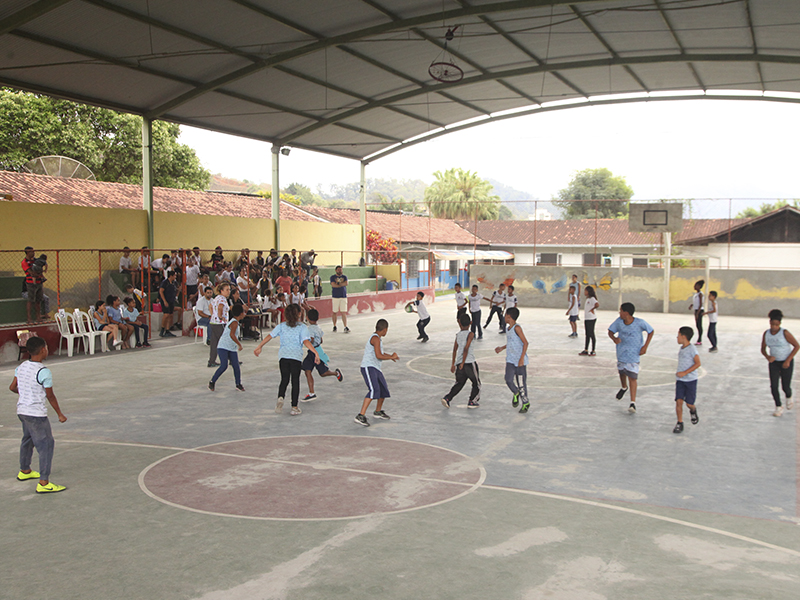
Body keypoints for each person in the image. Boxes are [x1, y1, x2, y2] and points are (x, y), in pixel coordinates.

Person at [9, 336, 68, 494]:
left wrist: (26, 394)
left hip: (22, 411)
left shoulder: (22, 366)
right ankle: (43, 482)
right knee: (46, 445)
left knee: (27, 440)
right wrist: (60, 414)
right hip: (36, 414)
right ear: (43, 350)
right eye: (46, 347)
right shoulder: (43, 371)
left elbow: (12, 387)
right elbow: (50, 395)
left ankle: (25, 470)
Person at [254, 304, 319, 416]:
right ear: (299, 314)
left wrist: (260, 346)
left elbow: (269, 336)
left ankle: (280, 397)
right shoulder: (302, 327)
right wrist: (315, 352)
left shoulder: (282, 326)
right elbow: (306, 342)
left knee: (284, 379)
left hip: (283, 357)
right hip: (296, 358)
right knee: (295, 381)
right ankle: (294, 407)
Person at [608, 302, 654, 414]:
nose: (619, 313)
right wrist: (614, 339)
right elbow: (610, 331)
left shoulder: (639, 323)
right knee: (622, 372)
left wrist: (645, 346)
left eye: (621, 311)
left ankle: (633, 402)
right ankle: (624, 387)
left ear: (626, 313)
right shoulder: (618, 322)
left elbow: (651, 331)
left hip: (634, 354)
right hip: (621, 353)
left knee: (632, 377)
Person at [355, 318, 398, 427]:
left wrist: (390, 356)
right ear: (384, 329)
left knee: (383, 389)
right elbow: (379, 356)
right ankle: (360, 415)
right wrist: (390, 357)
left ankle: (378, 411)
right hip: (368, 367)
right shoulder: (375, 339)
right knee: (374, 390)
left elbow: (380, 353)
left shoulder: (377, 338)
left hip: (375, 368)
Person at [761, 309, 799, 417]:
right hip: (774, 363)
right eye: (772, 324)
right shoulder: (766, 334)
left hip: (786, 362)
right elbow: (763, 348)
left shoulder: (785, 333)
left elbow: (797, 346)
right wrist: (768, 356)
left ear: (780, 324)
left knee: (785, 386)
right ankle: (778, 406)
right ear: (769, 323)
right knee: (773, 386)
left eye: (776, 325)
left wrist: (788, 360)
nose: (774, 327)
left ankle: (788, 396)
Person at [301, 308, 343, 401]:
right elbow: (321, 340)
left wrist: (305, 340)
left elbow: (311, 339)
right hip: (313, 351)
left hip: (315, 353)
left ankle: (336, 373)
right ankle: (311, 392)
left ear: (307, 318)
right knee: (307, 370)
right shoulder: (318, 328)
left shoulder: (310, 329)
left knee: (323, 373)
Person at [494, 307, 530, 414]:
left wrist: (522, 358)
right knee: (508, 379)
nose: (504, 317)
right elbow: (511, 342)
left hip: (519, 361)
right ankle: (516, 392)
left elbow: (525, 343)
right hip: (510, 359)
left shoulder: (517, 328)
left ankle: (525, 402)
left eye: (505, 315)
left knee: (521, 383)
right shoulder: (508, 328)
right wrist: (502, 348)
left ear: (509, 317)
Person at [442, 312, 480, 409]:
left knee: (459, 383)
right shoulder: (471, 334)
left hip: (459, 364)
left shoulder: (458, 335)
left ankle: (447, 398)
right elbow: (466, 349)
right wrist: (463, 363)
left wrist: (453, 364)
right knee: (476, 383)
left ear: (459, 323)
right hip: (469, 362)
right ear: (470, 323)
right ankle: (472, 401)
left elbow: (455, 349)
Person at [208, 304, 246, 392]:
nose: (245, 314)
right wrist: (239, 344)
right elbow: (232, 334)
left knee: (236, 366)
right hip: (223, 347)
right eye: (243, 312)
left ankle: (238, 384)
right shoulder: (234, 323)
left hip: (231, 347)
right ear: (240, 313)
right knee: (224, 365)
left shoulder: (235, 321)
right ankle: (212, 381)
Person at [673, 326, 701, 433]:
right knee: (679, 401)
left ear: (683, 337)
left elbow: (698, 363)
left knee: (689, 403)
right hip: (680, 380)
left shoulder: (692, 349)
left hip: (690, 380)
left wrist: (685, 372)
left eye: (678, 335)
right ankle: (679, 422)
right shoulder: (682, 348)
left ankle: (693, 410)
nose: (677, 337)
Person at [208, 282, 231, 368]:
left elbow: (210, 306)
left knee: (214, 343)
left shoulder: (216, 298)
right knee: (226, 341)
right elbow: (220, 307)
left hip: (213, 322)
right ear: (221, 291)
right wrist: (220, 317)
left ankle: (212, 360)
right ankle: (231, 359)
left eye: (229, 289)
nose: (229, 291)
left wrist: (213, 315)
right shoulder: (222, 299)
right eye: (227, 290)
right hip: (220, 323)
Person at [22, 246, 46, 323]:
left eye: (33, 251)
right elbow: (30, 272)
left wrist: (39, 273)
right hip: (30, 283)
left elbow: (41, 269)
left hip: (39, 282)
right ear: (27, 253)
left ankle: (38, 317)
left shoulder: (37, 261)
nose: (33, 253)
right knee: (31, 300)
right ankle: (29, 318)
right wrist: (36, 273)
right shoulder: (25, 262)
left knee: (38, 300)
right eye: (31, 251)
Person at [158, 271, 181, 337]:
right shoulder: (165, 283)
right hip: (166, 300)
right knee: (166, 314)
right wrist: (164, 301)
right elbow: (161, 291)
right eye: (174, 275)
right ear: (171, 276)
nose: (175, 277)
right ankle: (162, 329)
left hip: (172, 300)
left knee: (170, 315)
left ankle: (167, 330)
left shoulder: (174, 283)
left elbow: (179, 287)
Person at [579, 285, 599, 356]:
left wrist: (592, 309)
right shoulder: (588, 299)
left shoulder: (592, 298)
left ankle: (593, 350)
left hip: (591, 318)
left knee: (591, 334)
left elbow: (597, 304)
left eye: (586, 291)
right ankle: (586, 349)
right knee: (587, 334)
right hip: (587, 318)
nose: (584, 292)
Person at [330, 265, 349, 333]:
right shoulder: (332, 277)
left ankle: (345, 326)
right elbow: (333, 285)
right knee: (335, 312)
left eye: (341, 269)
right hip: (335, 296)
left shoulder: (344, 277)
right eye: (338, 270)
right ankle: (334, 325)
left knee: (343, 312)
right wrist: (341, 284)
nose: (340, 271)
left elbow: (346, 283)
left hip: (343, 296)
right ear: (336, 270)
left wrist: (338, 284)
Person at [689, 280, 705, 345]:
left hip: (699, 310)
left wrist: (697, 313)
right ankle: (699, 339)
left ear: (699, 286)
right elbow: (696, 302)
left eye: (696, 285)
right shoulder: (696, 294)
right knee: (697, 325)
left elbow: (700, 304)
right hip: (696, 309)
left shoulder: (700, 294)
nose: (695, 286)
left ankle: (700, 339)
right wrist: (692, 305)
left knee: (699, 325)